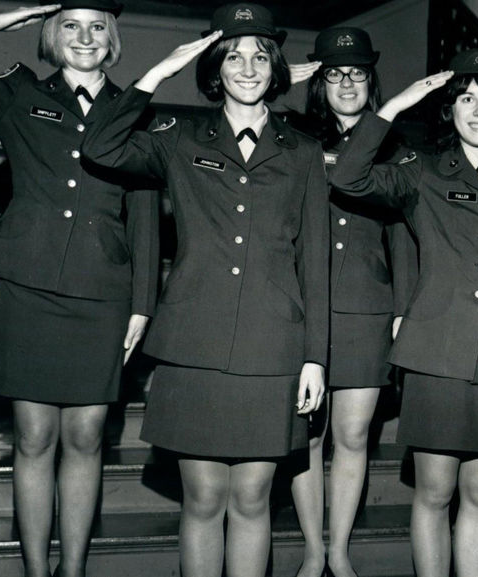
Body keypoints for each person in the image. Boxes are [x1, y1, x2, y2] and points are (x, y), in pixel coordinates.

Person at [81, 4, 329, 577]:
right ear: (214, 68)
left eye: (260, 56)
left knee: (251, 499)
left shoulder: (303, 152)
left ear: (275, 68)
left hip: (274, 349)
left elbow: (315, 264)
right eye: (233, 56)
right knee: (203, 499)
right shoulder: (177, 138)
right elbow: (99, 147)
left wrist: (316, 356)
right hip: (195, 345)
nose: (247, 68)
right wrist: (154, 74)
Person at [329, 48, 478, 577]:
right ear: (448, 111)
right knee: (434, 492)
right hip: (435, 357)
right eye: (466, 99)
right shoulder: (420, 173)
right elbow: (349, 176)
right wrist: (397, 106)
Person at [0, 2, 159, 576]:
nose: (85, 37)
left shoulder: (133, 111)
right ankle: (37, 571)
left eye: (98, 26)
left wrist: (142, 304)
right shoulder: (16, 95)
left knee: (85, 438)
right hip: (31, 287)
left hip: (103, 291)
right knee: (32, 438)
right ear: (52, 33)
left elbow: (146, 214)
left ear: (113, 39)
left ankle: (73, 570)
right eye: (71, 25)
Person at [287, 27, 417, 577]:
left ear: (372, 81)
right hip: (298, 304)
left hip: (368, 307)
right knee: (305, 435)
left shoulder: (397, 147)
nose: (346, 82)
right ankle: (313, 552)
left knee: (353, 434)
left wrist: (401, 309)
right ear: (319, 81)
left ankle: (338, 550)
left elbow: (406, 238)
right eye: (334, 72)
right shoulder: (292, 139)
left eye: (357, 73)